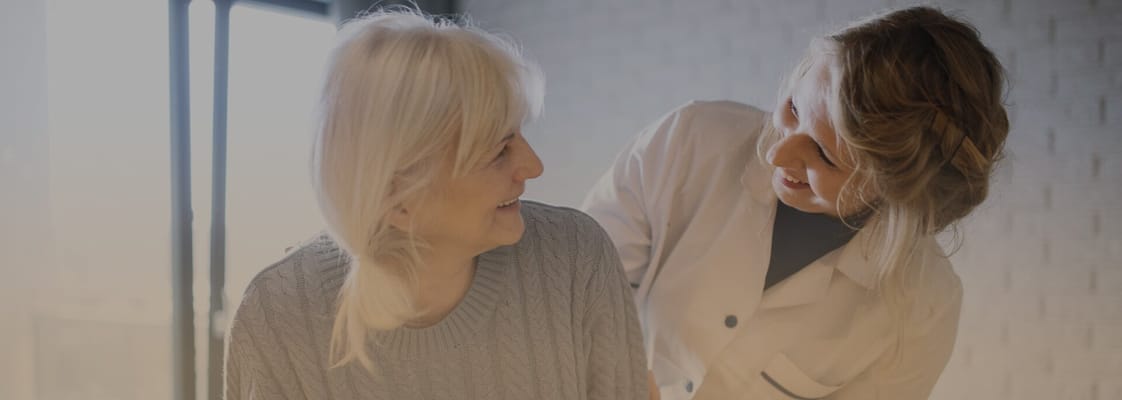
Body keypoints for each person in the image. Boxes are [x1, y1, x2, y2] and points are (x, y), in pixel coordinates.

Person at [583, 6, 1009, 400]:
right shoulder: (689, 139)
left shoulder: (922, 310)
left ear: (897, 191)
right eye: (793, 108)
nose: (777, 155)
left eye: (824, 155)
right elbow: (579, 283)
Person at [224, 9, 648, 400]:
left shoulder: (575, 257)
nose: (533, 166)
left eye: (519, 134)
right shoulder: (279, 314)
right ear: (399, 199)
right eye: (499, 150)